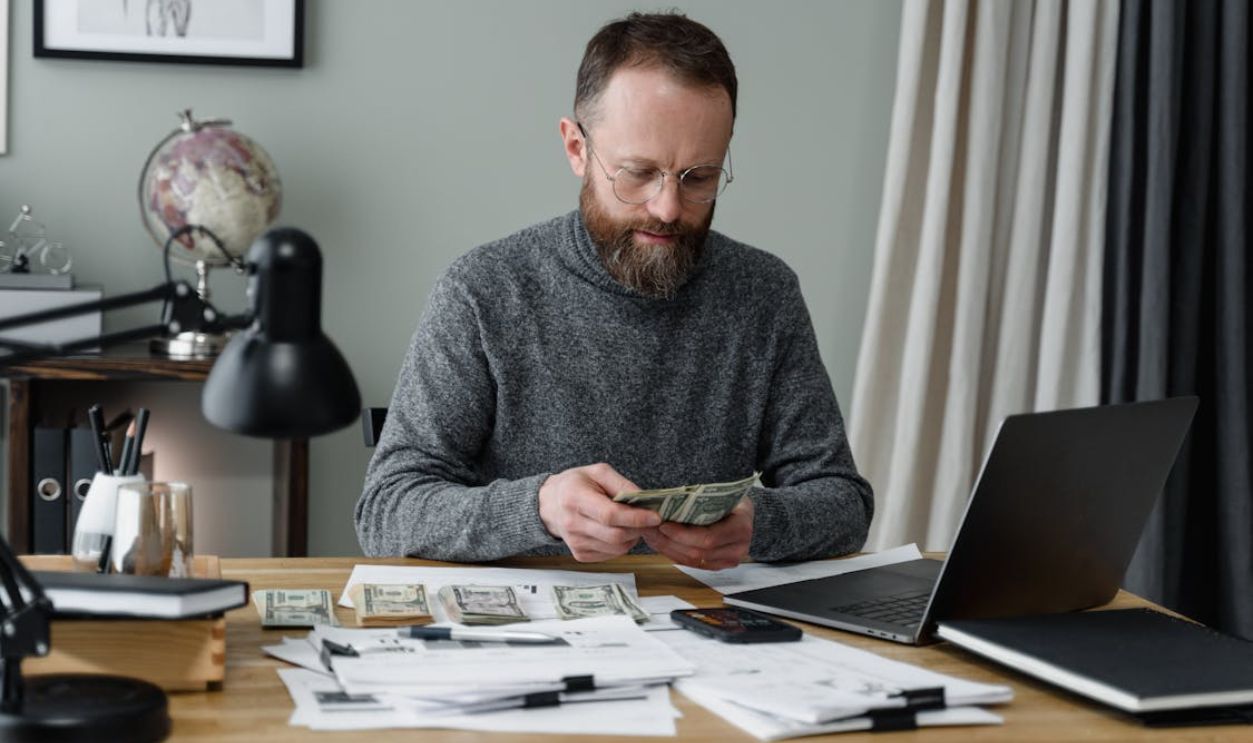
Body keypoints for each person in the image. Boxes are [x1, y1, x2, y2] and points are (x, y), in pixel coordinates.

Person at [356, 12, 872, 570]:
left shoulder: (763, 294)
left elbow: (843, 501)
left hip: (708, 632)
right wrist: (538, 509)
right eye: (638, 173)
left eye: (698, 177)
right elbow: (386, 510)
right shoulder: (482, 290)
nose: (668, 208)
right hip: (527, 636)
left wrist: (759, 526)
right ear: (576, 148)